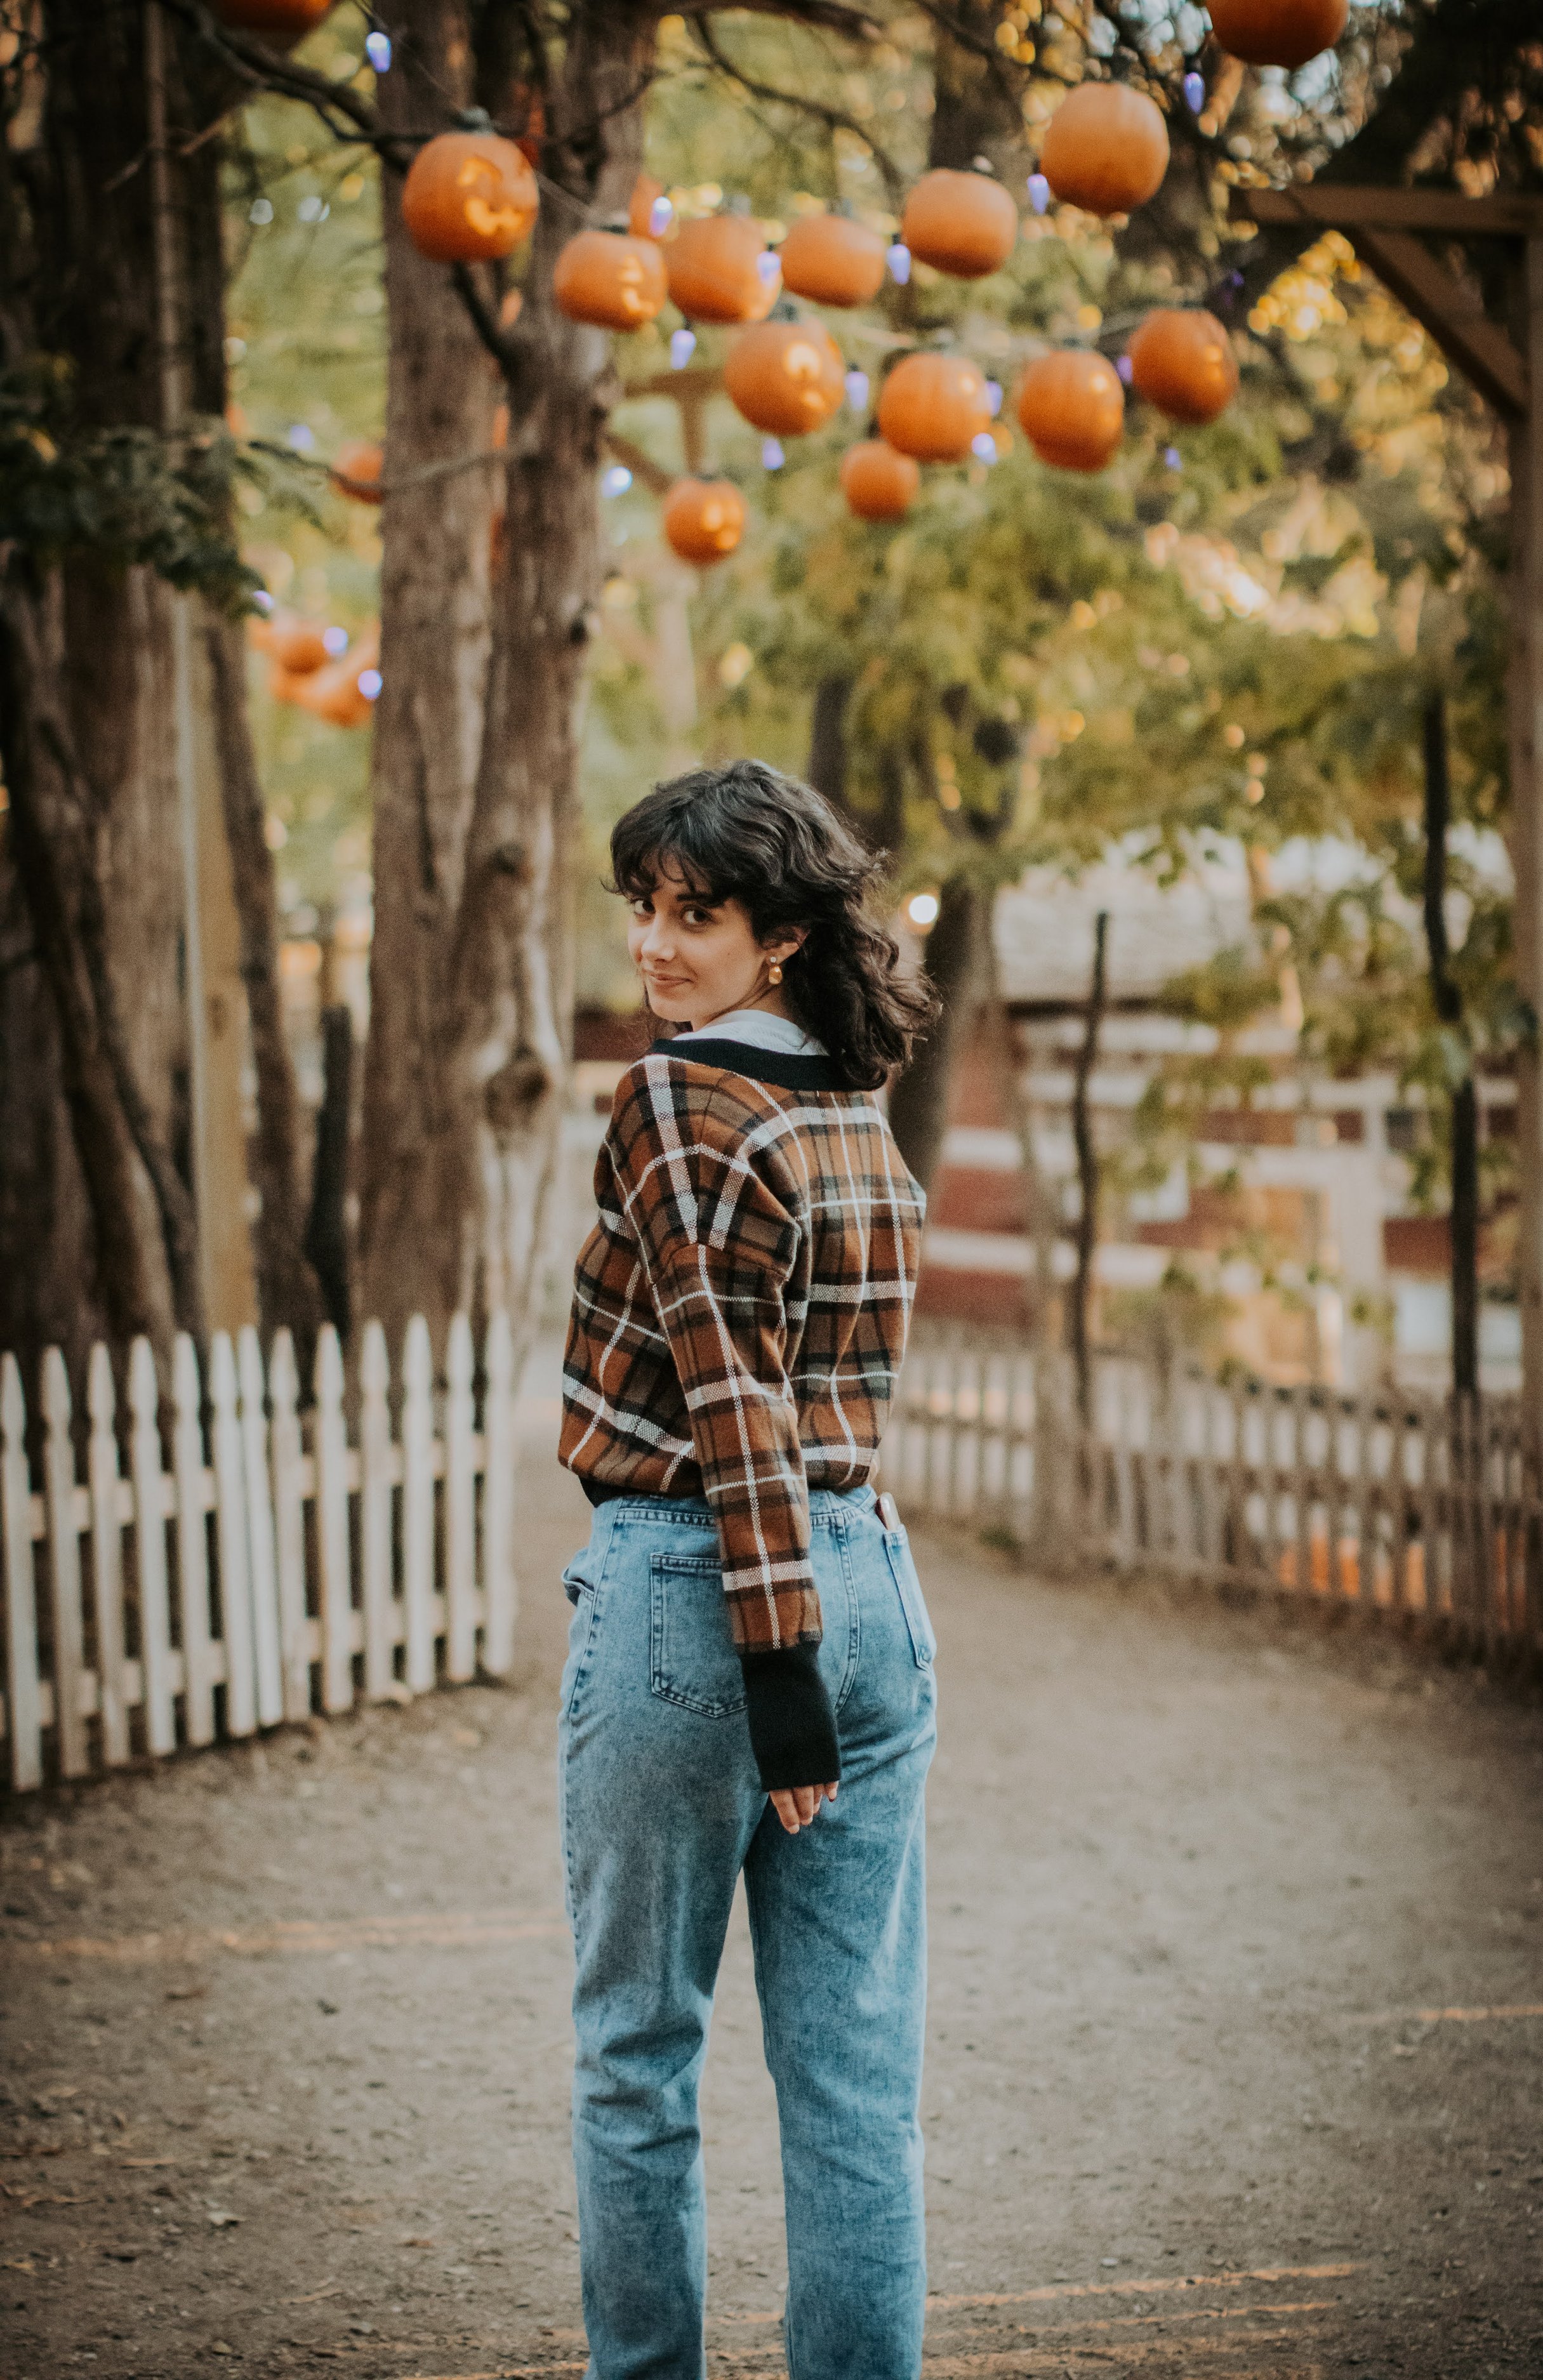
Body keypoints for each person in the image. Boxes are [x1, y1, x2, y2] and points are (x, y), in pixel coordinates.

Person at [557, 759, 940, 2380]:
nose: (654, 942)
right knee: (855, 2075)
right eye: (642, 906)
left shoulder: (674, 1103)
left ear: (779, 935)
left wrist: (774, 1682)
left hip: (709, 1594)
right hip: (872, 1588)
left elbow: (727, 1403)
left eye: (693, 914)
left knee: (637, 2059)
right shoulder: (847, 1108)